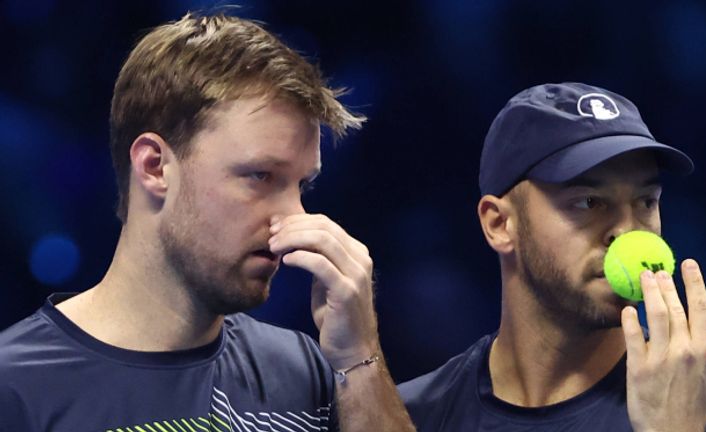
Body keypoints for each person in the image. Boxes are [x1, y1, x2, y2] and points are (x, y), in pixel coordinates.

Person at [0, 13, 415, 432]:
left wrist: (360, 359)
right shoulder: (15, 386)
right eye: (260, 176)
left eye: (301, 186)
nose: (295, 218)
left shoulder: (306, 370)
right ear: (155, 166)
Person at [398, 82, 706, 431]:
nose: (627, 230)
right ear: (499, 224)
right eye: (589, 202)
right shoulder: (413, 415)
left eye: (646, 201)